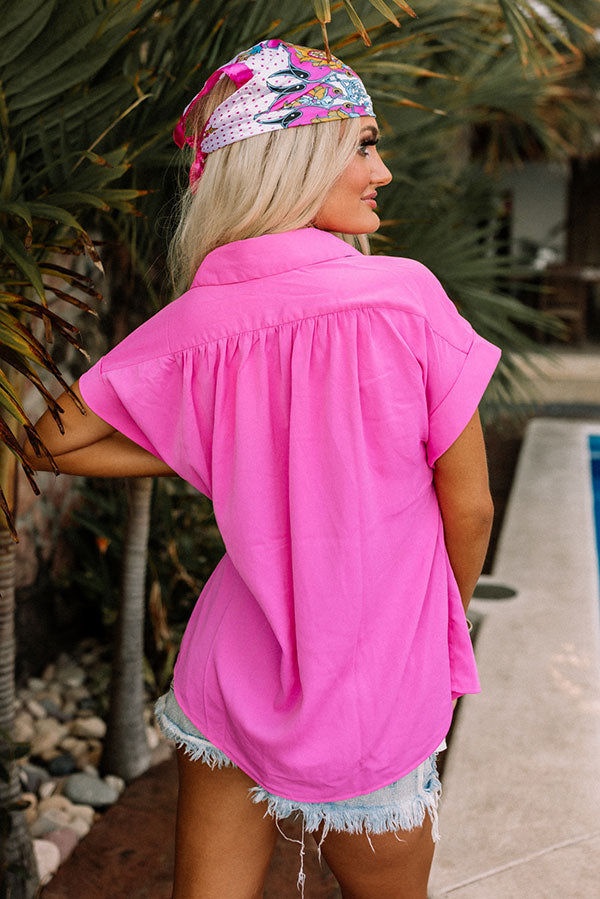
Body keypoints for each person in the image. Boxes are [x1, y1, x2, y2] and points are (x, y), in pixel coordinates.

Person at [24, 39, 500, 899]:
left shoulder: (202, 317)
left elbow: (49, 437)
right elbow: (469, 510)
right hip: (375, 681)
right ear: (296, 157)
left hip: (231, 672)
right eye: (363, 145)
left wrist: (232, 452)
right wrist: (436, 623)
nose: (383, 171)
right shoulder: (404, 297)